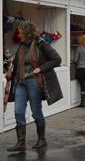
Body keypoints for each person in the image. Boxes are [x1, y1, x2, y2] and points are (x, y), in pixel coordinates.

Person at [7, 22, 62, 152]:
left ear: (27, 33)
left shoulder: (40, 44)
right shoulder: (21, 46)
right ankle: (21, 143)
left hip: (33, 81)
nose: (19, 35)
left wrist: (40, 68)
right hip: (20, 82)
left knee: (36, 111)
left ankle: (42, 139)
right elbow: (16, 62)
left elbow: (57, 59)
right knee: (18, 111)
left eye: (20, 32)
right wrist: (10, 69)